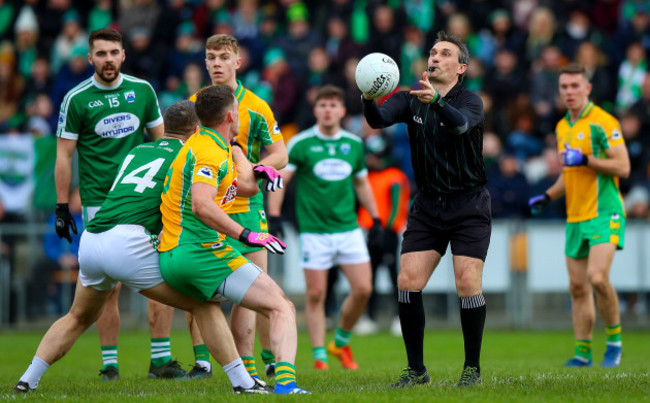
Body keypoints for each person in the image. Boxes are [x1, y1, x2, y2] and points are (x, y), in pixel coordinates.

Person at [13, 100, 269, 394]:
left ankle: (27, 380)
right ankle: (242, 381)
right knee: (202, 302)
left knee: (77, 316)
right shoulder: (190, 154)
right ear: (197, 130)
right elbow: (200, 204)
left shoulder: (139, 150)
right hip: (129, 241)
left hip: (93, 238)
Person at [159, 85, 309, 395]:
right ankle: (285, 384)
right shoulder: (210, 152)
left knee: (210, 310)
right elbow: (202, 204)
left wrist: (260, 169)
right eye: (237, 112)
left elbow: (246, 187)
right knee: (281, 306)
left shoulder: (208, 143)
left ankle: (245, 381)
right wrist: (247, 234)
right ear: (230, 114)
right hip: (198, 251)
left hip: (174, 253)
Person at [361, 31, 490, 388]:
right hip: (428, 205)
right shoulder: (410, 99)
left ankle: (472, 369)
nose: (434, 57)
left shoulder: (471, 101)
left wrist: (435, 102)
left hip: (469, 204)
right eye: (432, 52)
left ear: (460, 67)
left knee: (467, 283)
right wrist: (368, 97)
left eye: (444, 53)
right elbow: (377, 120)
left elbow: (461, 125)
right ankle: (416, 370)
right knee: (408, 282)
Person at [53, 27, 183, 381]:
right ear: (89, 58)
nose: (108, 59)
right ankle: (110, 365)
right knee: (107, 290)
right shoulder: (76, 99)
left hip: (145, 201)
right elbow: (63, 156)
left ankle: (161, 361)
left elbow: (166, 143)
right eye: (101, 54)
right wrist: (62, 206)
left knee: (163, 273)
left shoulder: (142, 91)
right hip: (99, 203)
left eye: (114, 52)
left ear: (123, 55)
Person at [188, 33, 287, 380]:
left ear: (237, 62)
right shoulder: (193, 105)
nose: (216, 63)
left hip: (246, 204)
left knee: (252, 289)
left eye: (223, 57)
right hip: (206, 205)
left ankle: (248, 367)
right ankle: (204, 361)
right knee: (202, 290)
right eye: (211, 57)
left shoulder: (256, 106)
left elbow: (281, 153)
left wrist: (261, 168)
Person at [267, 85, 382, 371]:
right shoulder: (301, 143)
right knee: (316, 294)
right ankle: (320, 356)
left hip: (348, 229)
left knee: (364, 289)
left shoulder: (353, 144)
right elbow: (282, 178)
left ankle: (339, 343)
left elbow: (361, 183)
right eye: (323, 105)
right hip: (314, 231)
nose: (327, 110)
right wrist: (274, 215)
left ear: (342, 111)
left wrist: (376, 217)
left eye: (333, 105)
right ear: (316, 110)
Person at [529, 63, 629, 368]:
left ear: (587, 88)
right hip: (575, 215)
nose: (569, 92)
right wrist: (547, 196)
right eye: (564, 87)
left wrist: (585, 158)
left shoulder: (602, 122)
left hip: (604, 211)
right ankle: (583, 353)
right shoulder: (562, 127)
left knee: (598, 278)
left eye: (575, 86)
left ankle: (614, 343)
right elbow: (569, 174)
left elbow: (622, 167)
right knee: (577, 287)